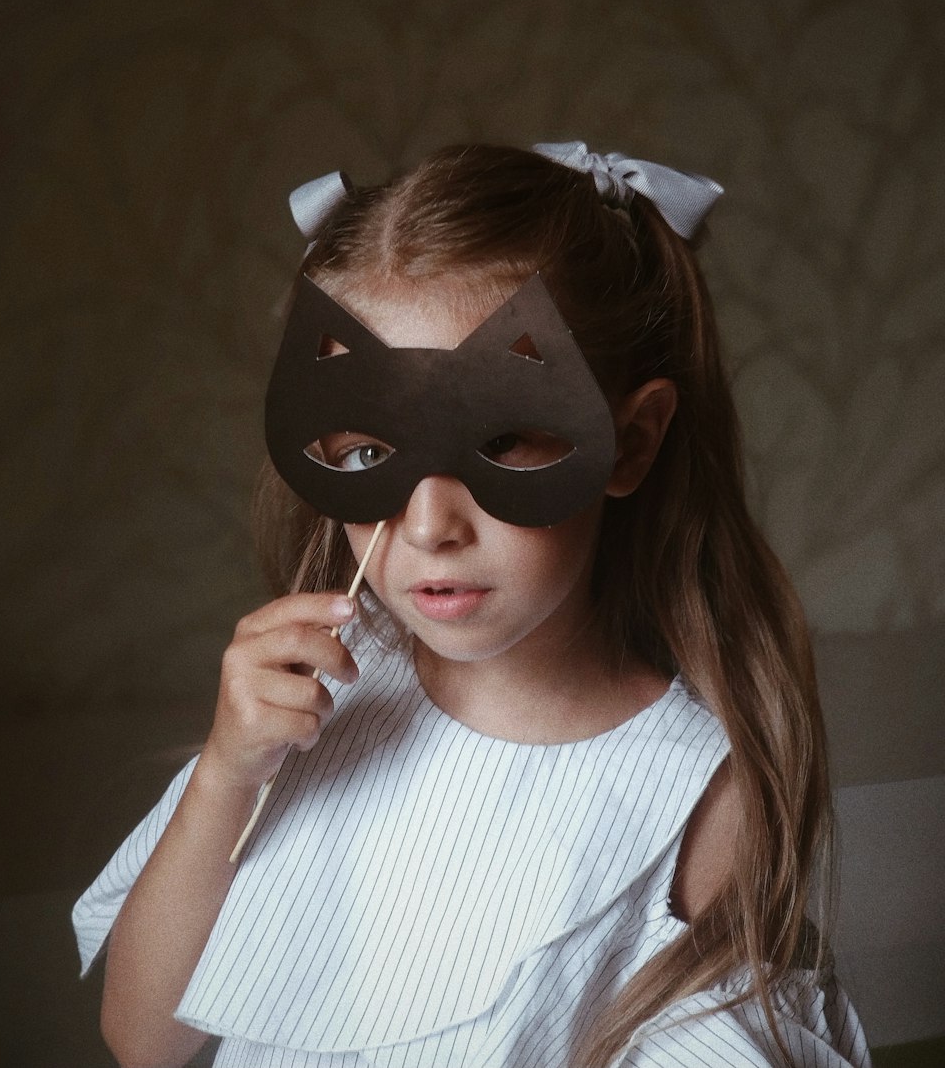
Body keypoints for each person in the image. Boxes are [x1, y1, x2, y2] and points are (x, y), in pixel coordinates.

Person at [73, 142, 871, 1068]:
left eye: (504, 443)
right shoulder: (306, 706)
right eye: (369, 452)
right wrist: (225, 775)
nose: (428, 523)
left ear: (630, 441)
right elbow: (141, 1041)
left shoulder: (700, 796)